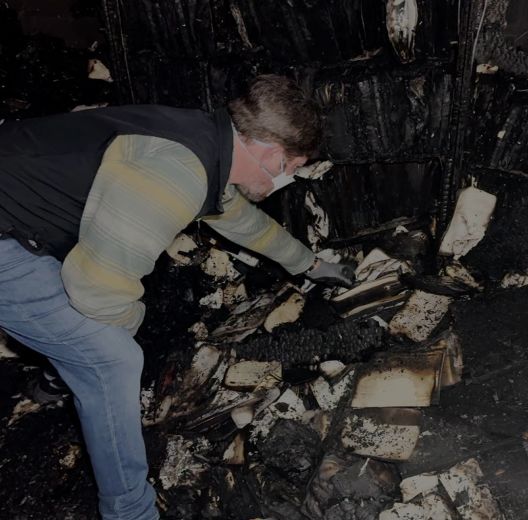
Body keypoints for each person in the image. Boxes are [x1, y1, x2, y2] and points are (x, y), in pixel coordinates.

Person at [0, 74, 354, 520]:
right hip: (5, 239)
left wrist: (310, 265)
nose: (291, 179)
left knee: (86, 326)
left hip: (20, 208)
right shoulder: (174, 175)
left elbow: (239, 219)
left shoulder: (205, 139)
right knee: (112, 359)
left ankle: (58, 374)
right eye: (293, 167)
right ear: (268, 153)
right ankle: (131, 512)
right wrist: (123, 328)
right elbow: (95, 293)